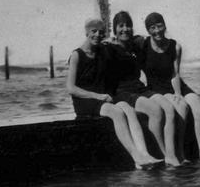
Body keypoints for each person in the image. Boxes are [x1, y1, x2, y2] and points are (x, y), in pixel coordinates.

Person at [66, 18, 161, 169]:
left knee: (128, 109)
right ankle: (135, 156)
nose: (97, 34)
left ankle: (144, 154)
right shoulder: (77, 55)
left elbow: (118, 50)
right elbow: (71, 88)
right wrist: (97, 96)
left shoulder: (101, 51)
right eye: (94, 31)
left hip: (102, 99)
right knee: (117, 112)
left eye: (101, 32)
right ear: (86, 32)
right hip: (84, 101)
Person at [107, 11, 184, 167]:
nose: (125, 29)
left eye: (128, 25)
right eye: (121, 26)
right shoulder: (109, 48)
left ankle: (171, 154)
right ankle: (164, 154)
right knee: (155, 110)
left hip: (139, 88)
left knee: (169, 108)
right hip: (122, 92)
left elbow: (150, 41)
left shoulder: (135, 45)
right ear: (114, 29)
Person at [141, 12, 200, 161]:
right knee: (182, 108)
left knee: (199, 109)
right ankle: (181, 152)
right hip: (157, 88)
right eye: (152, 28)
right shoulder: (143, 44)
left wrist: (178, 93)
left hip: (175, 84)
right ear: (148, 30)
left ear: (165, 26)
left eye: (160, 26)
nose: (157, 31)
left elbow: (175, 73)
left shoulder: (175, 46)